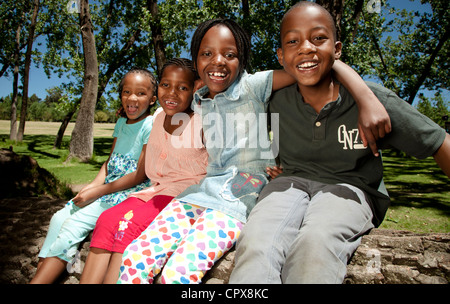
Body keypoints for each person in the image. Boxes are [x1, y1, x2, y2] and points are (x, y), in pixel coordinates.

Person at [117, 18, 392, 284]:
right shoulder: (200, 97)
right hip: (202, 192)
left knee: (177, 273)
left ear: (243, 60)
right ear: (196, 60)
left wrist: (365, 96)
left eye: (230, 54)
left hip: (239, 199)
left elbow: (308, 68)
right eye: (207, 54)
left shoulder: (254, 85)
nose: (218, 61)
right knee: (134, 258)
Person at [229, 1, 450, 284]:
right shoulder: (277, 100)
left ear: (337, 48)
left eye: (318, 38)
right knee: (257, 240)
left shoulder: (371, 100)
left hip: (350, 188)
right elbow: (241, 126)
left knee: (316, 241)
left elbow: (437, 142)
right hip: (290, 184)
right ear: (281, 56)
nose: (306, 47)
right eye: (293, 41)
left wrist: (364, 96)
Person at [79, 58, 208, 284]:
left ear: (196, 88)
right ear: (157, 87)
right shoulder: (157, 116)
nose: (172, 93)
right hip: (154, 190)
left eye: (183, 87)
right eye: (166, 85)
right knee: (108, 219)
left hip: (184, 196)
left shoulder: (203, 121)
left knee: (128, 226)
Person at [30, 68, 157, 284]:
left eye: (141, 93)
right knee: (59, 217)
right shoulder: (121, 123)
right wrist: (91, 187)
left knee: (73, 225)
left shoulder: (149, 124)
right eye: (126, 92)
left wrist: (99, 191)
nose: (132, 98)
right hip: (106, 189)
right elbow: (110, 162)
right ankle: (42, 276)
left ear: (153, 99)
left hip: (125, 194)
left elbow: (139, 175)